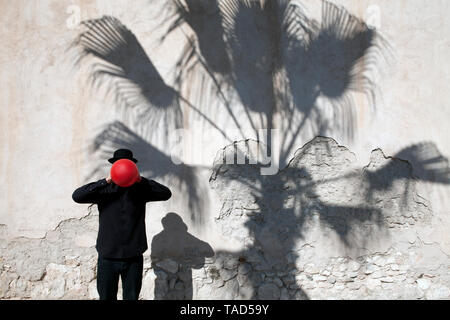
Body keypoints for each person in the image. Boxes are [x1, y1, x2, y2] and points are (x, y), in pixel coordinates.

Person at [72, 149, 172, 300]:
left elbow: (166, 193)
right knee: (106, 297)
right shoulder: (104, 190)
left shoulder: (140, 190)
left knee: (131, 297)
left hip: (133, 256)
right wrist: (104, 181)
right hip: (108, 256)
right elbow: (77, 196)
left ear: (132, 166)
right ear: (113, 166)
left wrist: (141, 180)